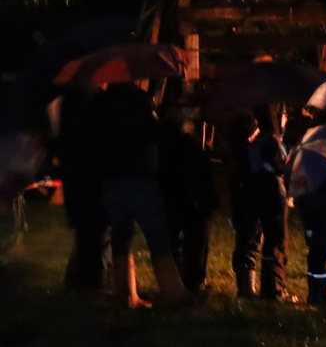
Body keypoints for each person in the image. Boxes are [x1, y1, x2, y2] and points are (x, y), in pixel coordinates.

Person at [88, 82, 191, 307]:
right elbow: (157, 134)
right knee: (157, 236)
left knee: (120, 237)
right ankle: (173, 292)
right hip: (139, 176)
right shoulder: (138, 100)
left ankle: (125, 294)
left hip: (111, 178)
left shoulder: (100, 103)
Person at [227, 105, 291, 301]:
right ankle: (270, 288)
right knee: (269, 239)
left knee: (251, 237)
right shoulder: (266, 140)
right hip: (267, 193)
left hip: (249, 192)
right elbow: (278, 165)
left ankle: (249, 288)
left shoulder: (246, 142)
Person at [157, 111, 218, 293]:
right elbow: (201, 172)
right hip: (193, 200)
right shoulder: (189, 144)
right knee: (196, 241)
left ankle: (175, 280)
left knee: (173, 241)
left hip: (172, 199)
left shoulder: (162, 146)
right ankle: (194, 280)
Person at [57, 86, 110, 293]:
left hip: (76, 176)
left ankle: (82, 279)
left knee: (86, 231)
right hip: (91, 176)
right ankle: (93, 281)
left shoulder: (70, 99)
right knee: (96, 229)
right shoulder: (91, 100)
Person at [287, 110, 326, 306]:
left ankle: (318, 293)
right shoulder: (323, 148)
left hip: (308, 201)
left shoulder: (310, 143)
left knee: (319, 249)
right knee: (321, 249)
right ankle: (318, 295)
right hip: (318, 203)